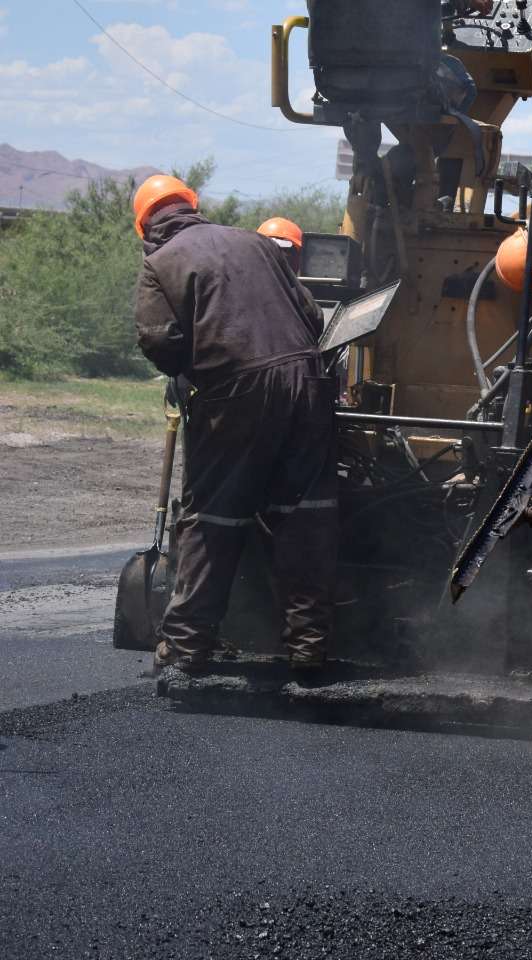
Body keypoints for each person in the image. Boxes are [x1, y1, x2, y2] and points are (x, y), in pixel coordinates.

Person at [131, 174, 338, 673]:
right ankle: (309, 647)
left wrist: (187, 373)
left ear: (145, 228)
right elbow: (310, 315)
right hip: (309, 381)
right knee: (304, 513)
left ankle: (186, 646)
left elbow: (159, 341)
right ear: (193, 205)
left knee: (213, 515)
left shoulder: (160, 264)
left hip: (238, 390)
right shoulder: (256, 243)